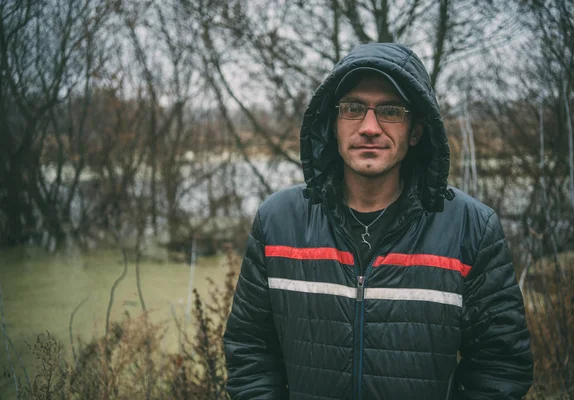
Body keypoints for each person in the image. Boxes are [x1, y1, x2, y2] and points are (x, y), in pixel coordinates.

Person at [223, 43, 533, 400]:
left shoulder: (471, 229)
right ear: (333, 124)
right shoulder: (278, 223)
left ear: (416, 130)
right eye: (353, 108)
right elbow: (250, 350)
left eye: (390, 111)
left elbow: (501, 366)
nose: (369, 127)